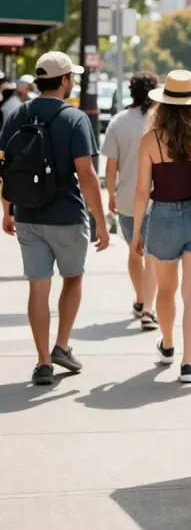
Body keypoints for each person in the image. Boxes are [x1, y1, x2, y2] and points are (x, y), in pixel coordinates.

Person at [0, 52, 109, 386]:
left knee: (38, 286)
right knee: (73, 278)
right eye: (71, 77)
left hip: (28, 215)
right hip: (66, 216)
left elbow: (5, 166)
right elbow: (87, 175)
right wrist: (101, 222)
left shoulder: (17, 114)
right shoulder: (75, 119)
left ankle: (43, 362)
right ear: (63, 81)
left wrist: (6, 209)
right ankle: (62, 344)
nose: (73, 81)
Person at [132, 70, 191, 384]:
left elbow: (141, 192)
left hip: (161, 219)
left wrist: (137, 232)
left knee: (166, 289)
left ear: (163, 105)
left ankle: (169, 344)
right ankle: (188, 364)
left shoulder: (150, 140)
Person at [102, 72, 159, 330]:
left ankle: (140, 300)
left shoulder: (118, 121)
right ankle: (149, 308)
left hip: (126, 199)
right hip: (159, 198)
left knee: (134, 251)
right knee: (152, 256)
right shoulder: (161, 121)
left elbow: (110, 166)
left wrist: (111, 196)